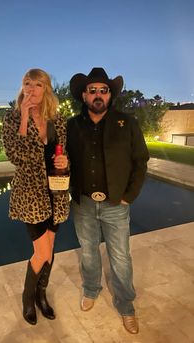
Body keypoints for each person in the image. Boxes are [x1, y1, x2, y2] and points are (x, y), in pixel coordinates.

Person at [66, 67, 149, 334]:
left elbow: (140, 162)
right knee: (88, 252)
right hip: (84, 203)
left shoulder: (128, 123)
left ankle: (126, 306)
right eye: (93, 91)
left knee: (121, 257)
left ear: (110, 95)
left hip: (116, 203)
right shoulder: (72, 125)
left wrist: (129, 196)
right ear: (84, 95)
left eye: (104, 90)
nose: (98, 95)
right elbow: (64, 158)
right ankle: (91, 289)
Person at [2, 68, 70, 325]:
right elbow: (16, 157)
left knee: (50, 249)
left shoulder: (56, 119)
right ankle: (27, 298)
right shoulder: (10, 118)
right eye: (27, 83)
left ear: (46, 90)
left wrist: (64, 161)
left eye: (37, 84)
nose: (31, 89)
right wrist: (22, 118)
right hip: (30, 195)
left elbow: (62, 156)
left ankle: (42, 295)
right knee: (41, 252)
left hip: (55, 192)